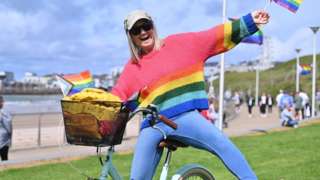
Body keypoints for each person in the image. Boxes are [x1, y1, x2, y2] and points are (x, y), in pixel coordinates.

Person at [111, 9, 269, 179]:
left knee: (223, 145)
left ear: (153, 26)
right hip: (153, 125)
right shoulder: (132, 68)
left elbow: (214, 36)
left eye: (146, 26)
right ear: (131, 36)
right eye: (136, 30)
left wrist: (250, 21)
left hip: (185, 117)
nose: (143, 32)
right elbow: (116, 97)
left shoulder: (179, 43)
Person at [0, 95, 12, 161]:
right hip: (3, 140)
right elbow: (8, 127)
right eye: (2, 101)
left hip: (2, 139)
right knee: (4, 159)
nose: (3, 103)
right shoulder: (3, 113)